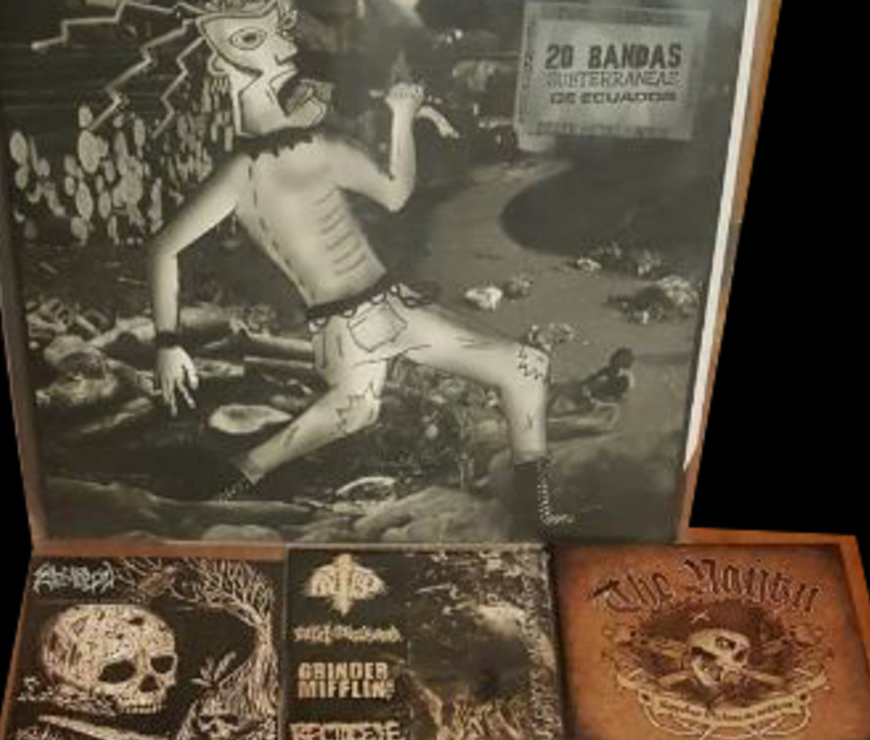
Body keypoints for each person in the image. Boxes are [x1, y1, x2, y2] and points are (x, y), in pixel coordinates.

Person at [148, 0, 566, 533]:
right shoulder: (248, 170)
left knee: (364, 407)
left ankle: (229, 478)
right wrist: (167, 343)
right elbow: (162, 248)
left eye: (272, 33)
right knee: (518, 369)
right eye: (249, 39)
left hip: (372, 314)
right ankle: (538, 514)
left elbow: (394, 194)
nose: (278, 43)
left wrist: (400, 117)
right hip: (356, 323)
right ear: (219, 63)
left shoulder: (314, 147)